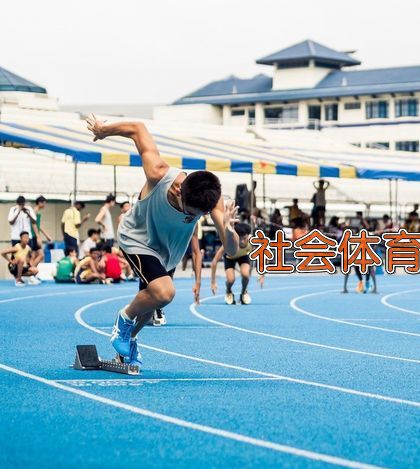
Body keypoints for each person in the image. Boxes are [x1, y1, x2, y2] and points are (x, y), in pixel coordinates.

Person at [86, 114, 236, 367]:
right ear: (179, 190)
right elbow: (137, 128)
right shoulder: (159, 174)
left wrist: (228, 230)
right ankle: (122, 319)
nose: (194, 217)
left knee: (151, 299)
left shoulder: (211, 201)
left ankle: (127, 342)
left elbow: (231, 250)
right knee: (164, 292)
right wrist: (103, 130)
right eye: (191, 213)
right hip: (137, 238)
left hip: (168, 251)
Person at [211, 222, 263, 304]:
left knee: (246, 275)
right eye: (240, 238)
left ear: (248, 235)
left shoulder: (252, 240)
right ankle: (228, 291)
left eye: (244, 238)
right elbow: (214, 261)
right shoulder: (229, 242)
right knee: (231, 280)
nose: (242, 241)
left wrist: (262, 275)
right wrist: (213, 282)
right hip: (230, 258)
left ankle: (243, 292)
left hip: (243, 256)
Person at [30, 196, 52, 266]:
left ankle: (32, 272)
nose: (45, 205)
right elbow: (33, 224)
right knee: (40, 255)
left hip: (34, 235)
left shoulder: (36, 211)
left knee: (34, 255)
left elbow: (38, 225)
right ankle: (31, 270)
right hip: (33, 235)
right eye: (44, 203)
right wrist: (38, 236)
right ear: (39, 203)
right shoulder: (35, 211)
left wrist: (46, 235)